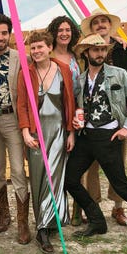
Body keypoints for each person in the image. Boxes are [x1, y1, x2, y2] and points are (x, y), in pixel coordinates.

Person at [64, 34, 127, 242]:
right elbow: (77, 107)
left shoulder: (119, 74)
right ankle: (97, 220)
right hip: (86, 136)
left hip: (109, 136)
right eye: (95, 49)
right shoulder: (80, 80)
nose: (100, 53)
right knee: (70, 179)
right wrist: (75, 122)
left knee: (120, 185)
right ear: (86, 52)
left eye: (102, 49)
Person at [17, 31, 76, 254]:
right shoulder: (26, 73)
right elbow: (21, 104)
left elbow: (69, 102)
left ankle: (46, 226)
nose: (36, 51)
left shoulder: (63, 70)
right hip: (36, 132)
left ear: (49, 47)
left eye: (40, 47)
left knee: (55, 177)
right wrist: (25, 132)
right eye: (33, 48)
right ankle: (42, 221)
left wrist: (70, 132)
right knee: (39, 177)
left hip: (59, 131)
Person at [80, 8, 127, 227]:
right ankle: (93, 206)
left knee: (117, 167)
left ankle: (118, 207)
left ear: (109, 25)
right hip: (92, 121)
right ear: (92, 28)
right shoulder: (85, 51)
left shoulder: (124, 49)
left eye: (104, 21)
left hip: (116, 120)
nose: (101, 25)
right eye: (97, 23)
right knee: (91, 167)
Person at [0, 13, 31, 244]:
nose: (0, 37)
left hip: (13, 119)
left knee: (19, 170)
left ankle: (23, 223)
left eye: (4, 33)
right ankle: (4, 215)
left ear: (9, 34)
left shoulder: (20, 57)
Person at [47, 15, 88, 227]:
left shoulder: (77, 57)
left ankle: (77, 210)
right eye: (60, 30)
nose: (64, 33)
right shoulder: (48, 55)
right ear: (54, 33)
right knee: (56, 166)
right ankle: (59, 210)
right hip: (54, 114)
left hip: (76, 113)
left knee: (76, 165)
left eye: (67, 30)